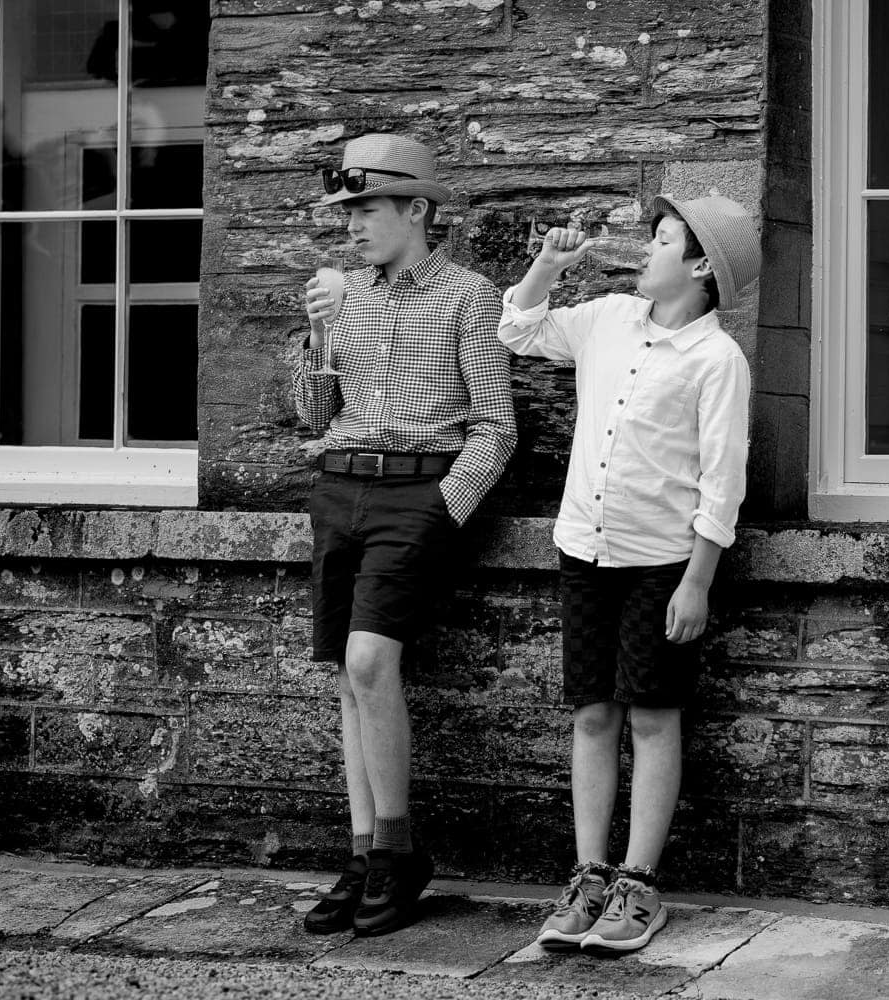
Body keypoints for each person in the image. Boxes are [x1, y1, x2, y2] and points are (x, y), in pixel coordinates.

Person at [497, 194, 759, 953]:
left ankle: (639, 886)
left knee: (652, 716)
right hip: (585, 548)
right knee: (591, 713)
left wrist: (698, 580)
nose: (646, 248)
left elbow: (723, 480)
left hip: (662, 565)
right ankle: (588, 875)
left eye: (663, 239)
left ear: (701, 266)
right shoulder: (608, 318)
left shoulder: (718, 360)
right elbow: (520, 328)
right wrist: (547, 264)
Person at [292, 133, 516, 938]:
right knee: (347, 681)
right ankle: (362, 855)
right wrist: (319, 338)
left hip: (416, 493)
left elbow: (496, 428)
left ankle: (399, 852)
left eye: (366, 209)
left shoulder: (469, 295)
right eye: (346, 211)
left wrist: (442, 507)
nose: (351, 226)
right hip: (340, 487)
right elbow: (314, 418)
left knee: (369, 660)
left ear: (417, 209)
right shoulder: (343, 292)